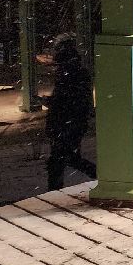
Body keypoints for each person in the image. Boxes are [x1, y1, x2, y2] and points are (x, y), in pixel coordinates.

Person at [45, 33, 96, 190]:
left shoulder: (67, 73)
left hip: (66, 123)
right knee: (68, 158)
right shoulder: (76, 71)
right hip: (72, 123)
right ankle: (103, 176)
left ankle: (53, 192)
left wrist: (51, 103)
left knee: (60, 160)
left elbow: (66, 100)